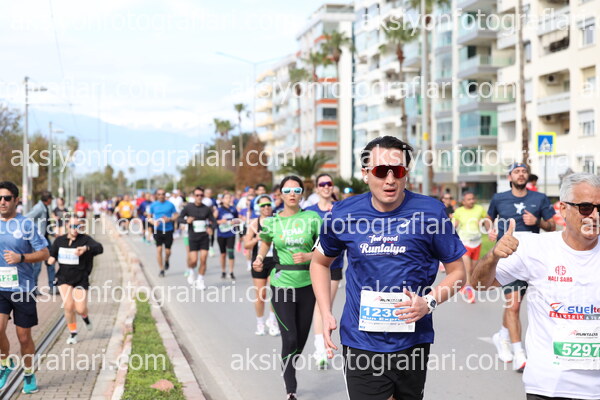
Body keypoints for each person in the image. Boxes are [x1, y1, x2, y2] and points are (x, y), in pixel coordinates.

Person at [310, 136, 466, 400]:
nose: (390, 180)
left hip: (412, 340)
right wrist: (325, 313)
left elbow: (458, 273)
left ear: (407, 174)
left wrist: (428, 302)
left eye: (398, 171)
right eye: (382, 171)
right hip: (361, 340)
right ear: (365, 173)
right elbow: (319, 263)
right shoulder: (343, 213)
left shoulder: (431, 212)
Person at [472, 172, 600, 400]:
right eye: (586, 208)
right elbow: (479, 284)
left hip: (595, 389)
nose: (595, 215)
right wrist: (493, 256)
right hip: (547, 386)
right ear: (564, 209)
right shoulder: (535, 248)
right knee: (512, 305)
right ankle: (513, 346)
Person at [253, 176, 322, 400]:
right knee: (290, 338)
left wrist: (310, 256)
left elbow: (326, 246)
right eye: (288, 190)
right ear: (280, 194)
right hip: (282, 283)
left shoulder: (312, 218)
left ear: (302, 193)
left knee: (300, 340)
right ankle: (290, 387)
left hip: (308, 284)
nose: (292, 194)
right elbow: (265, 241)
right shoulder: (272, 222)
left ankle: (288, 365)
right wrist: (260, 257)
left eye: (297, 190)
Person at [487, 162, 556, 371]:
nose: (521, 174)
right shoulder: (499, 198)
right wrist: (490, 229)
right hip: (509, 257)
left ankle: (502, 335)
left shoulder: (539, 198)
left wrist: (538, 222)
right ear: (510, 177)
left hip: (533, 257)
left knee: (516, 304)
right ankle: (519, 354)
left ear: (528, 176)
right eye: (516, 172)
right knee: (514, 304)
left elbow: (552, 226)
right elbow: (488, 219)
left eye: (524, 171)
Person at [0, 181, 49, 394]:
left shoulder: (26, 225)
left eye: (7, 198)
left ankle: (28, 373)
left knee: (23, 337)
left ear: (16, 200)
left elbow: (44, 253)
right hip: (0, 287)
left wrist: (21, 257)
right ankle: (5, 364)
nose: (2, 202)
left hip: (22, 288)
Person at [304, 173, 345, 368]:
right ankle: (320, 348)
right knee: (319, 306)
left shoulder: (340, 208)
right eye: (322, 184)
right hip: (316, 266)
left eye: (329, 183)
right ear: (316, 188)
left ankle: (322, 345)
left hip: (335, 265)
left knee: (326, 306)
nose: (326, 187)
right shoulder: (309, 211)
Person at [47, 216, 103, 344]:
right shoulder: (59, 241)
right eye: (72, 226)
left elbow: (99, 248)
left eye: (78, 226)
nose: (75, 229)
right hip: (63, 278)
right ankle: (73, 333)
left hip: (80, 278)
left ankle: (85, 316)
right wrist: (50, 260)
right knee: (68, 306)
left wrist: (86, 248)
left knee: (80, 309)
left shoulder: (85, 239)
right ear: (67, 226)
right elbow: (52, 255)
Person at [244, 194, 280, 336]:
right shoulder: (254, 224)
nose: (266, 207)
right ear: (257, 208)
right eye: (262, 205)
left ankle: (272, 320)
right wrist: (257, 239)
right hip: (259, 261)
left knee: (275, 292)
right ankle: (260, 323)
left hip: (275, 260)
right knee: (261, 295)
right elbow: (246, 244)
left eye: (268, 205)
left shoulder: (278, 221)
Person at [452, 191, 491, 304]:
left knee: (473, 269)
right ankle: (469, 291)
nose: (472, 201)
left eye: (473, 198)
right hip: (464, 242)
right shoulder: (459, 211)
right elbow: (454, 224)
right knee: (468, 268)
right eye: (469, 199)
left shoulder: (479, 209)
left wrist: (489, 230)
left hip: (477, 242)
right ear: (463, 201)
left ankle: (464, 286)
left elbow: (487, 220)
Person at [178, 187, 216, 290]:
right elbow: (179, 218)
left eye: (201, 195)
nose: (199, 197)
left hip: (204, 237)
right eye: (197, 195)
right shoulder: (188, 207)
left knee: (203, 259)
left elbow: (214, 221)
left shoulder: (206, 208)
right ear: (194, 196)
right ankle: (191, 271)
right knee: (193, 260)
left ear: (203, 196)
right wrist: (186, 221)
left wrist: (210, 228)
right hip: (193, 237)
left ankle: (200, 280)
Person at [26, 190, 54, 293]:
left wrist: (53, 233)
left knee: (51, 262)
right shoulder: (39, 208)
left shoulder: (45, 207)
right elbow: (27, 218)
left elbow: (46, 224)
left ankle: (52, 286)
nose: (51, 201)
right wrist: (34, 232)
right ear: (48, 199)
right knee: (37, 266)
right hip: (39, 240)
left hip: (45, 239)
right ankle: (33, 288)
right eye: (51, 199)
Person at [148, 189, 178, 277]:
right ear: (156, 195)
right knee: (159, 249)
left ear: (165, 195)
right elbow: (149, 217)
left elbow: (176, 215)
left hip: (168, 230)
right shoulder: (153, 205)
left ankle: (166, 260)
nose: (161, 196)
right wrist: (153, 222)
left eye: (163, 194)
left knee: (168, 251)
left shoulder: (170, 204)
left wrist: (170, 219)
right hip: (158, 230)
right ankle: (161, 269)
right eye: (159, 194)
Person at [216, 193, 239, 282]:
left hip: (231, 234)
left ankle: (231, 272)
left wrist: (234, 222)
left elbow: (238, 220)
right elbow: (214, 221)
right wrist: (221, 221)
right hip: (221, 234)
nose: (228, 199)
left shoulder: (233, 209)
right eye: (226, 198)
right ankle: (223, 271)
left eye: (230, 197)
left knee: (231, 252)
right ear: (222, 199)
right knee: (223, 254)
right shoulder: (219, 210)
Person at [203, 188, 217, 256]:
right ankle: (205, 247)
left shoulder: (213, 200)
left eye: (210, 193)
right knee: (204, 234)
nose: (209, 194)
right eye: (207, 193)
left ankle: (211, 247)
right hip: (203, 220)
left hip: (211, 219)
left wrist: (213, 218)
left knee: (212, 234)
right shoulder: (202, 199)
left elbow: (215, 210)